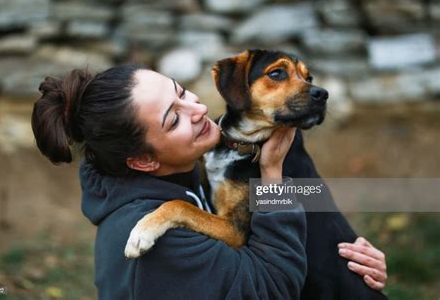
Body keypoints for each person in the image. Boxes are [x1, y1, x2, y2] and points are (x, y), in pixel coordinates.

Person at [31, 65, 387, 299]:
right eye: (174, 119)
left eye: (182, 92)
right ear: (142, 160)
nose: (198, 109)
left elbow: (295, 203)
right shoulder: (157, 244)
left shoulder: (183, 170)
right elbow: (274, 286)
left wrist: (343, 253)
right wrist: (273, 178)